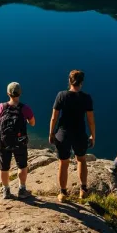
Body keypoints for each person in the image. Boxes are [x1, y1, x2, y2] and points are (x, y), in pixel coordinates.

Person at [49, 69, 95, 202]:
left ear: (69, 81)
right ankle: (83, 190)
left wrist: (51, 133)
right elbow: (91, 120)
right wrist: (93, 136)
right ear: (82, 83)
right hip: (80, 134)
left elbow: (54, 118)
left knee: (63, 163)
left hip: (63, 134)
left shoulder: (61, 95)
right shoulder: (86, 98)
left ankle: (63, 193)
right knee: (81, 159)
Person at [0, 81, 36, 200]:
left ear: (8, 93)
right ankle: (22, 190)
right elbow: (32, 123)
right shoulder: (25, 108)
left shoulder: (1, 106)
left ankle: (6, 190)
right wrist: (25, 120)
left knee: (4, 167)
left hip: (4, 142)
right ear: (20, 93)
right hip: (19, 142)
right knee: (22, 165)